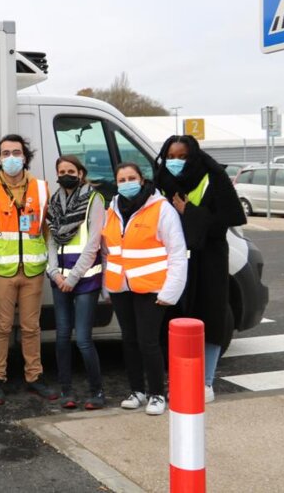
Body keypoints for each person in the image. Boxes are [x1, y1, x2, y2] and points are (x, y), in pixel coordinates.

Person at [154, 135, 245, 403]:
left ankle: (206, 383)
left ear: (192, 156)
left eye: (182, 157)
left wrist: (189, 212)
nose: (175, 162)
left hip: (209, 261)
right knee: (175, 321)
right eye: (170, 156)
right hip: (174, 261)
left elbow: (230, 218)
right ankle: (179, 379)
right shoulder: (162, 181)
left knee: (210, 319)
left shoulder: (212, 177)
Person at [0, 134, 57, 404]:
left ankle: (34, 376)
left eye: (16, 152)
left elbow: (46, 229)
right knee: (0, 327)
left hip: (33, 271)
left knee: (31, 327)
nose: (11, 157)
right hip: (2, 272)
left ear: (25, 156)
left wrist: (35, 256)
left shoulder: (42, 188)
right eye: (5, 153)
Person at [103, 162, 187, 416]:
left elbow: (177, 253)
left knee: (147, 341)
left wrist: (170, 292)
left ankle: (157, 394)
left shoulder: (161, 208)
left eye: (131, 178)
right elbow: (109, 250)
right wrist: (109, 286)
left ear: (142, 179)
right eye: (121, 179)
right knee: (128, 340)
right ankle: (136, 390)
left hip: (152, 287)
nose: (126, 183)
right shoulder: (113, 207)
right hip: (121, 286)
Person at [45, 156, 105, 409]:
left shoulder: (94, 199)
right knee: (61, 337)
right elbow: (49, 240)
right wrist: (53, 273)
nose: (66, 174)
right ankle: (66, 391)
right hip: (59, 279)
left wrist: (72, 277)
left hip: (84, 280)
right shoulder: (54, 202)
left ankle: (97, 392)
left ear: (81, 173)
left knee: (82, 339)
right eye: (61, 171)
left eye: (71, 170)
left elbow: (93, 244)